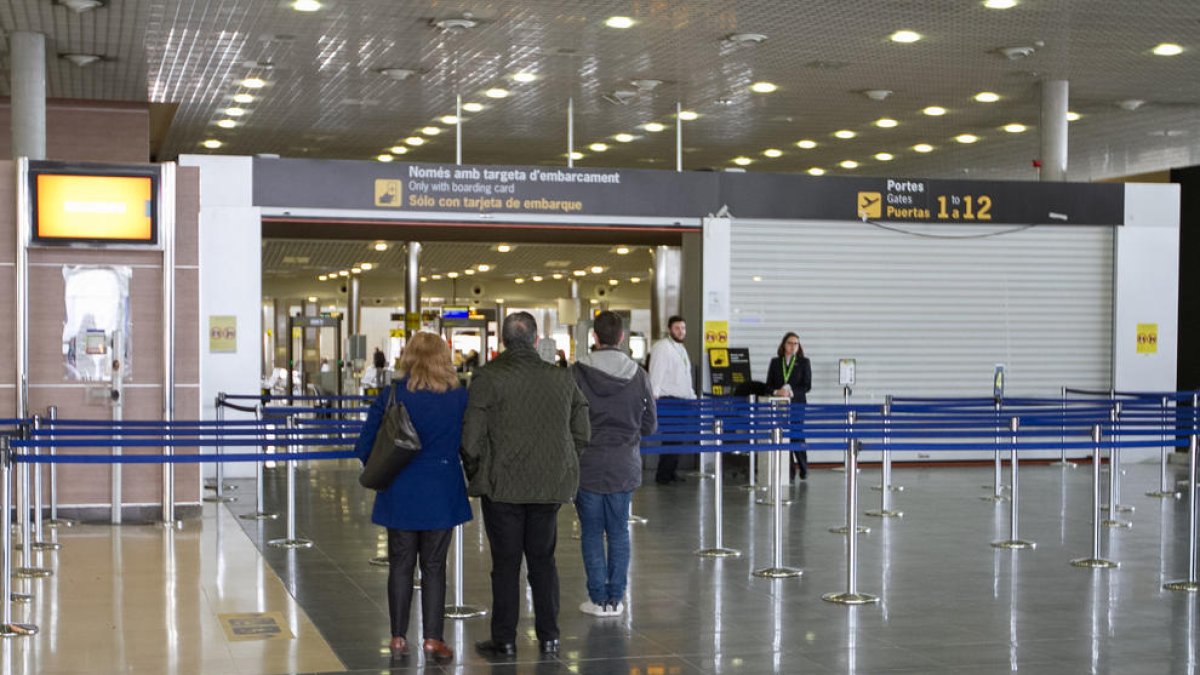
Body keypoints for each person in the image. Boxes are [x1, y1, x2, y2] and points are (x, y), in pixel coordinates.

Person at [461, 312, 590, 658]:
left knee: (505, 564)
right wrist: (564, 460)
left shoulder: (487, 377)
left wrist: (479, 472)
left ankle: (504, 638)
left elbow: (470, 440)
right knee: (543, 561)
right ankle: (549, 636)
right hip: (548, 487)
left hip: (502, 487)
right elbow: (583, 429)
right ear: (535, 341)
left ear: (504, 341)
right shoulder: (562, 378)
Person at [352, 332, 472, 663]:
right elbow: (469, 442)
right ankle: (433, 639)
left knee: (401, 565)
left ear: (408, 357)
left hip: (400, 493)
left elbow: (364, 447)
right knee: (434, 567)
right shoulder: (458, 397)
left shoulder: (393, 394)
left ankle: (397, 638)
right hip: (442, 493)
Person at [571, 311, 657, 617]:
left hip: (587, 464)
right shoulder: (638, 374)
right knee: (619, 531)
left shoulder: (577, 372)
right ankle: (615, 599)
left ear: (595, 337)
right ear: (622, 337)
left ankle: (597, 598)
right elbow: (650, 424)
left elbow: (568, 420)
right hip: (624, 463)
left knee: (592, 532)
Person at [648, 315, 696, 484]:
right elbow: (656, 373)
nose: (681, 331)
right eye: (677, 328)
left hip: (682, 401)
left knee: (677, 438)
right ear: (669, 329)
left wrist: (691, 396)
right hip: (668, 401)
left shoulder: (681, 349)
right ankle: (663, 475)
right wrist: (653, 397)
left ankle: (670, 471)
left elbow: (684, 376)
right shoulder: (662, 347)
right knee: (670, 437)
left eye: (683, 328)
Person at [765, 331, 812, 479]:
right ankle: (789, 470)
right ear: (784, 345)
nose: (793, 346)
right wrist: (777, 391)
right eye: (790, 343)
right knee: (782, 435)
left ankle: (803, 467)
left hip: (797, 404)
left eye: (796, 344)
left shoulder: (804, 362)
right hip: (779, 405)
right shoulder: (775, 362)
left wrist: (790, 392)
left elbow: (807, 386)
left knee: (797, 435)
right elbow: (768, 385)